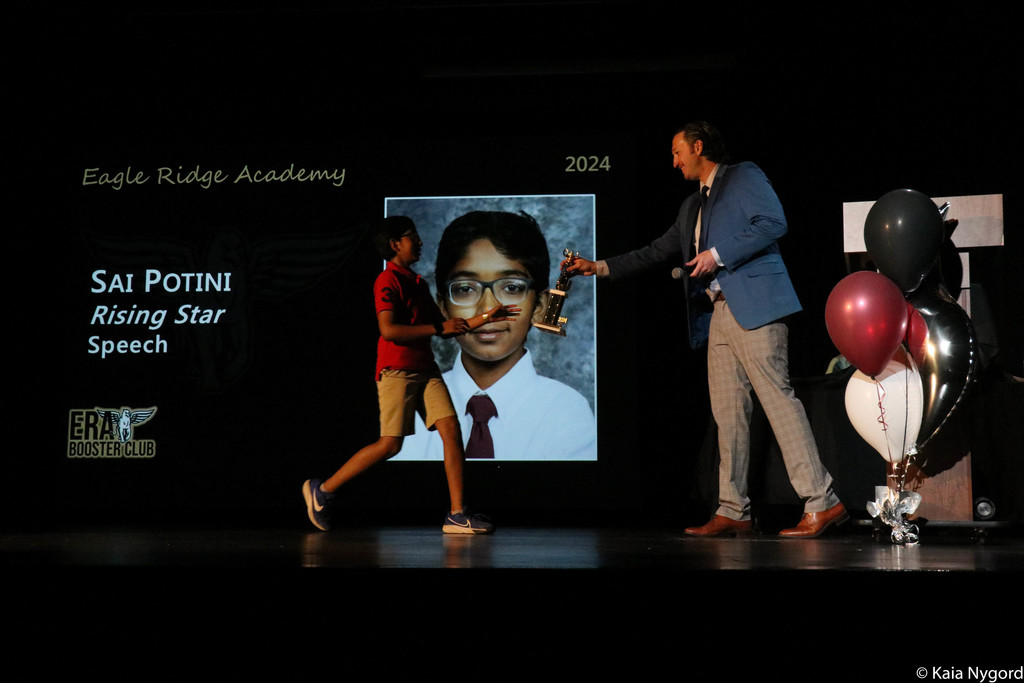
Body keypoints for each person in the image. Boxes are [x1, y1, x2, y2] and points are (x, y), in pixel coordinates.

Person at [567, 121, 847, 538]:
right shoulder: (691, 207)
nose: (674, 161)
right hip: (717, 314)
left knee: (778, 403)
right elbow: (655, 251)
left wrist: (717, 254)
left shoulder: (743, 175)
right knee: (728, 414)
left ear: (699, 147)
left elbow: (773, 223)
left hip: (756, 305)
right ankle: (733, 509)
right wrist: (600, 267)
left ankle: (823, 502)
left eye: (678, 151)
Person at [302, 215, 518, 534]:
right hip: (398, 370)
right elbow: (389, 330)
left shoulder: (416, 282)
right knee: (391, 444)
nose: (419, 241)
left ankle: (458, 514)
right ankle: (323, 490)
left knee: (451, 431)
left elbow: (447, 326)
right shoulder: (387, 280)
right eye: (412, 237)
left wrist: (488, 316)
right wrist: (436, 328)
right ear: (394, 244)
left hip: (425, 369)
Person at [394, 210, 596, 461]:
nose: (488, 310)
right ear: (442, 307)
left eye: (511, 287)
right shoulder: (410, 408)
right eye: (466, 289)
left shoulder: (567, 412)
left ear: (540, 307)